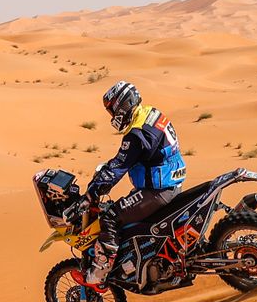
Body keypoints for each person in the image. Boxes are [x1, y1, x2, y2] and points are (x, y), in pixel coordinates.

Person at [79, 80, 187, 287]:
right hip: (170, 182)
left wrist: (94, 190)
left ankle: (102, 269)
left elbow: (120, 164)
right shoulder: (150, 113)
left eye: (113, 111)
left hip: (158, 190)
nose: (113, 116)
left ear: (123, 105)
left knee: (110, 216)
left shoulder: (137, 133)